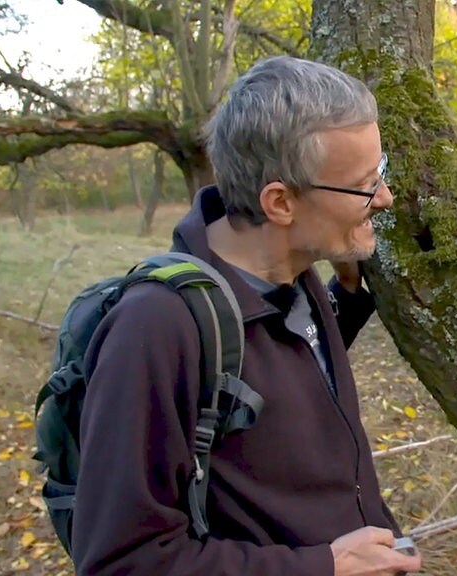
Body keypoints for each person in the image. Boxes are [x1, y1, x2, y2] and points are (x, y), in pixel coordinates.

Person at [72, 56, 422, 576]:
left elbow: (275, 378)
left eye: (382, 171)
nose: (386, 199)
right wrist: (323, 567)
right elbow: (121, 561)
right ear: (280, 203)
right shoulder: (157, 327)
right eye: (366, 184)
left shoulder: (294, 273)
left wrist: (347, 297)